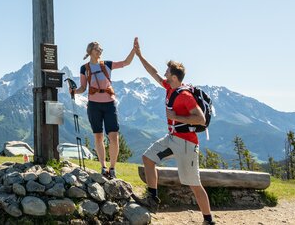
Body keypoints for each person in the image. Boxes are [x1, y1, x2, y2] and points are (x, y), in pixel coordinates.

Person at [134, 38, 214, 224]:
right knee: (148, 158)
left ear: (175, 77)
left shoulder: (185, 96)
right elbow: (152, 72)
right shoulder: (170, 88)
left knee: (194, 184)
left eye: (167, 72)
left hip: (187, 143)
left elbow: (200, 119)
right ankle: (152, 198)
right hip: (172, 139)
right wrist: (139, 55)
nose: (164, 74)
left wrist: (176, 117)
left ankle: (208, 220)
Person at [68, 38, 137, 179]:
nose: (100, 51)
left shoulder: (107, 65)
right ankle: (103, 167)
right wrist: (74, 91)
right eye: (97, 49)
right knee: (98, 136)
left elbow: (125, 63)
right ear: (91, 51)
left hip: (109, 104)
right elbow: (83, 87)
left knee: (114, 136)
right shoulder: (84, 68)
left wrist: (134, 50)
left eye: (101, 49)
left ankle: (112, 168)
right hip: (94, 105)